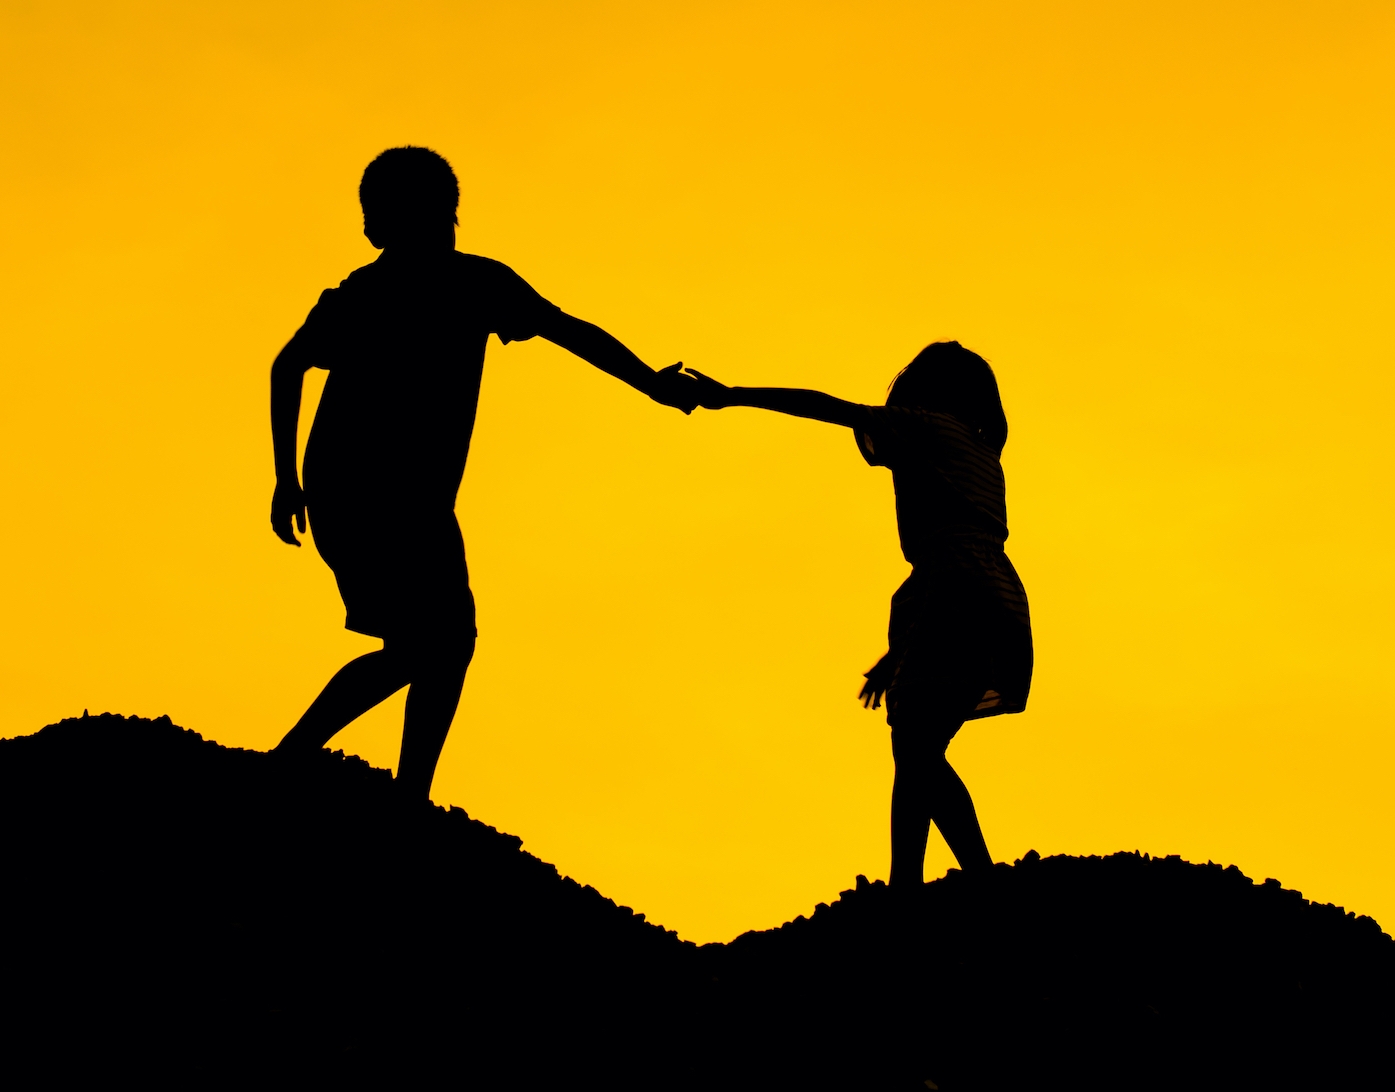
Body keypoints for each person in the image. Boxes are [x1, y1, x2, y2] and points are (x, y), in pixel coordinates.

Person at [269, 146, 698, 801]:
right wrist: (286, 481)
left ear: (411, 215)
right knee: (434, 642)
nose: (364, 227)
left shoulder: (445, 288)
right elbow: (289, 365)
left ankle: (385, 787)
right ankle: (327, 772)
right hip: (364, 494)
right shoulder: (402, 292)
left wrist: (649, 383)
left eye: (372, 212)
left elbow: (567, 330)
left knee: (435, 643)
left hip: (386, 499)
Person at [685, 343, 1030, 888]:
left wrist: (731, 396)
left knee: (916, 745)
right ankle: (928, 880)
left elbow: (823, 406)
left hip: (950, 587)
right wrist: (897, 654)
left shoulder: (924, 426)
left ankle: (937, 881)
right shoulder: (983, 452)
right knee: (918, 747)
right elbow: (959, 559)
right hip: (992, 594)